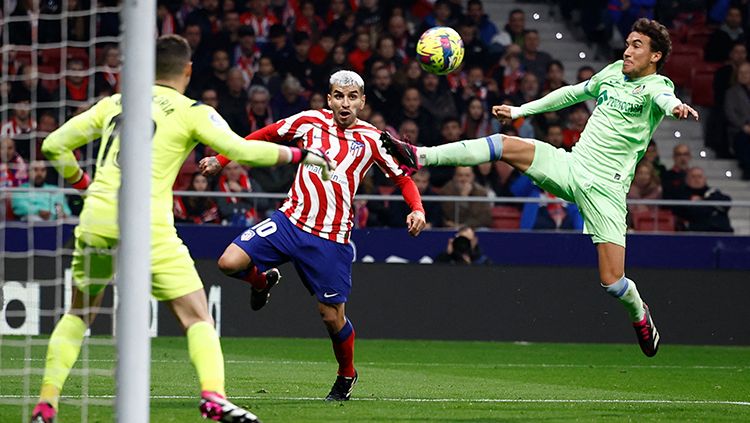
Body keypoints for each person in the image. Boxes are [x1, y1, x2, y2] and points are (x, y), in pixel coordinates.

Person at [31, 34, 335, 423]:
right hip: (147, 225)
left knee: (78, 314)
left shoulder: (114, 103)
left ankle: (45, 403)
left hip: (97, 218)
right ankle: (213, 398)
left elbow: (54, 146)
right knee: (196, 317)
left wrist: (83, 185)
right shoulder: (193, 110)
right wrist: (301, 153)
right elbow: (242, 150)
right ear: (187, 70)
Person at [382, 18, 701, 358]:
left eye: (637, 45)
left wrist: (676, 107)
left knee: (612, 282)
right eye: (627, 42)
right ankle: (418, 155)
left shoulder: (656, 87)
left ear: (655, 56)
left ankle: (639, 312)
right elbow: (570, 93)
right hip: (571, 165)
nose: (627, 50)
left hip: (606, 191)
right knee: (504, 144)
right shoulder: (611, 73)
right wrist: (521, 110)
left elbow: (666, 98)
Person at [198, 70, 427, 401]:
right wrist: (221, 159)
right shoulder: (309, 121)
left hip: (330, 238)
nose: (344, 103)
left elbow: (403, 179)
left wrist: (417, 209)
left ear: (362, 101)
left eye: (352, 97)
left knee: (332, 318)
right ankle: (262, 282)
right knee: (228, 262)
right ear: (329, 98)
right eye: (338, 95)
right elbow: (264, 135)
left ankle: (347, 374)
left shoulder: (374, 139)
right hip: (289, 221)